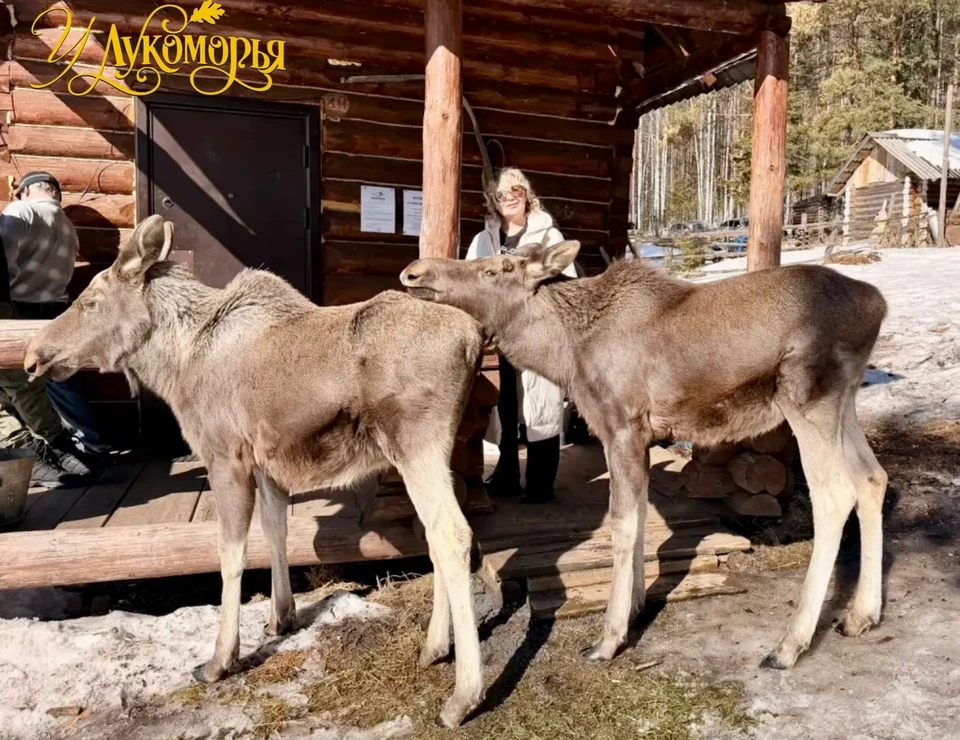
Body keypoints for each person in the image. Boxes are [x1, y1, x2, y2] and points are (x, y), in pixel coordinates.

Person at [465, 167, 577, 504]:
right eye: (501, 194)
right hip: (502, 337)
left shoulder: (548, 236)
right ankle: (507, 474)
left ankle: (541, 483)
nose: (509, 198)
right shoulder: (484, 240)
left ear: (527, 194)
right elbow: (470, 284)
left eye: (515, 191)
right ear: (494, 201)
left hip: (539, 336)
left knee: (542, 405)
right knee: (507, 404)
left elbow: (566, 284)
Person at [0, 171, 111, 485]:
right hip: (56, 309)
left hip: (20, 309)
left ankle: (57, 451)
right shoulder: (67, 226)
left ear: (25, 191)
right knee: (63, 383)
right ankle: (90, 446)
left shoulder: (21, 211)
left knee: (24, 386)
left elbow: (3, 261)